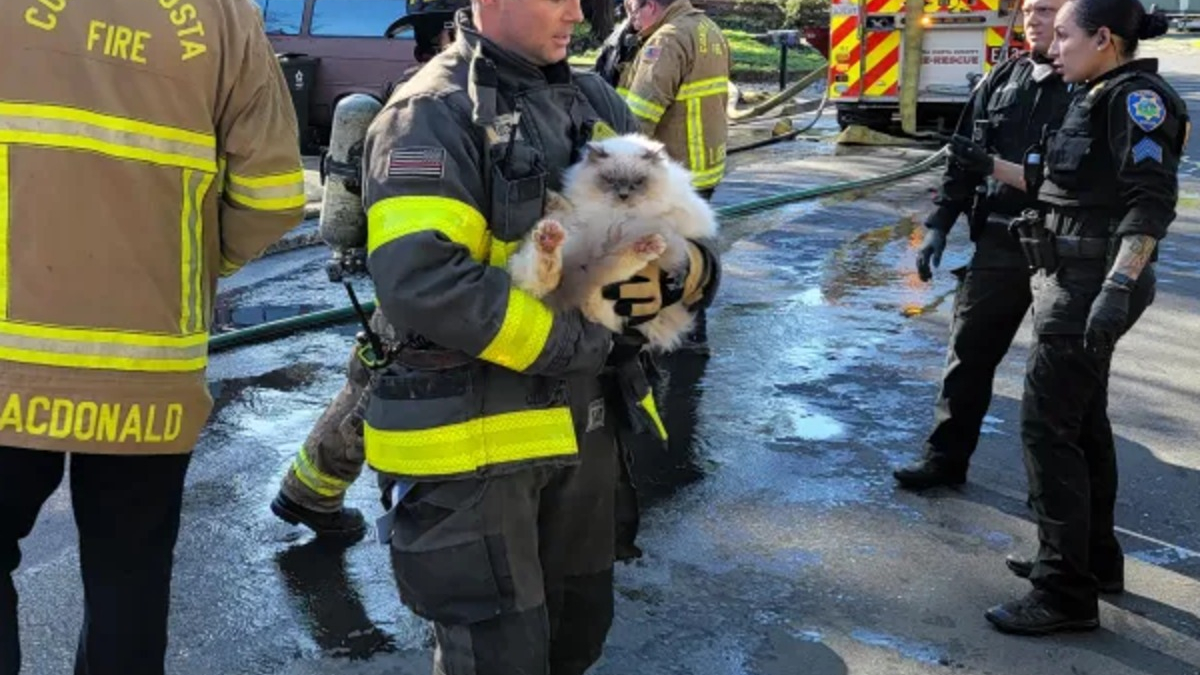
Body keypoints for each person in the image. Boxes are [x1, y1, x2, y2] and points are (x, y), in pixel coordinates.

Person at [360, 2, 720, 673]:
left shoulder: (594, 99)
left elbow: (674, 217)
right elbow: (425, 282)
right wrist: (586, 339)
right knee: (502, 659)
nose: (577, 11)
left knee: (576, 638)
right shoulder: (431, 113)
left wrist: (688, 273)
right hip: (475, 461)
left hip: (582, 444)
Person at [0, 1, 305, 673]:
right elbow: (276, 193)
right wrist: (194, 264)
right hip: (149, 369)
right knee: (128, 582)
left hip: (6, 364)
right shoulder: (225, 15)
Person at [983, 0, 1188, 635]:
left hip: (1089, 287)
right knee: (1085, 421)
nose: (1054, 46)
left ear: (1103, 38)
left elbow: (1150, 200)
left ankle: (1063, 593)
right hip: (1066, 280)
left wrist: (1118, 287)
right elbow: (1069, 186)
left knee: (1047, 427)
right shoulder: (1092, 91)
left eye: (1066, 35)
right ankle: (1093, 560)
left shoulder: (1136, 100)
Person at [271, 2, 464, 541]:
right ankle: (317, 495)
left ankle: (309, 490)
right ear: (449, 34)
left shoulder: (406, 89)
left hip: (394, 268)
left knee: (369, 369)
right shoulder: (433, 101)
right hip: (415, 273)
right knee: (387, 383)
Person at [893, 0, 1073, 490]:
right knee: (967, 356)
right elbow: (963, 153)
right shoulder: (1005, 76)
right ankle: (944, 460)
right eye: (1032, 8)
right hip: (998, 240)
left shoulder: (1089, 85)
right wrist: (939, 224)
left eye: (1049, 9)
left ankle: (1057, 497)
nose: (1036, 17)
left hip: (1065, 249)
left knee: (1056, 376)